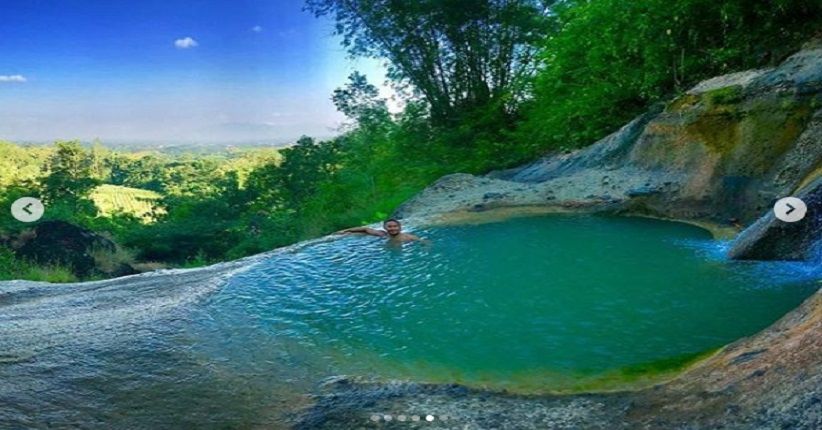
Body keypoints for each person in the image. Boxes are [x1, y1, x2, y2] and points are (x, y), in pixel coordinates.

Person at [338, 218, 423, 243]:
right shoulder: (382, 234)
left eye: (395, 226)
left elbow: (423, 241)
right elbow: (365, 229)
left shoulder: (407, 236)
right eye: (390, 226)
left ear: (400, 227)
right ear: (385, 228)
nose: (393, 228)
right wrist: (346, 231)